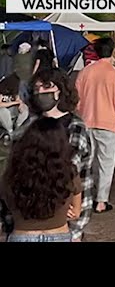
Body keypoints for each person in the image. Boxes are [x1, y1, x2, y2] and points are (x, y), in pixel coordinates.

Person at [12, 68, 94, 242]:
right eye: (37, 88)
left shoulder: (75, 127)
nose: (41, 92)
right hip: (29, 221)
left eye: (47, 86)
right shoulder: (29, 125)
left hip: (65, 222)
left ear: (61, 90)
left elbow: (69, 172)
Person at [1, 117, 82, 242]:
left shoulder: (12, 173)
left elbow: (6, 202)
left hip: (22, 235)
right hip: (59, 234)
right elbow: (76, 212)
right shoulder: (69, 172)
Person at [75, 37, 115, 213]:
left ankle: (84, 197)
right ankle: (101, 201)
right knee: (106, 163)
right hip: (108, 123)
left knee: (87, 162)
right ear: (112, 50)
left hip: (86, 121)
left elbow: (76, 99)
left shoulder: (85, 72)